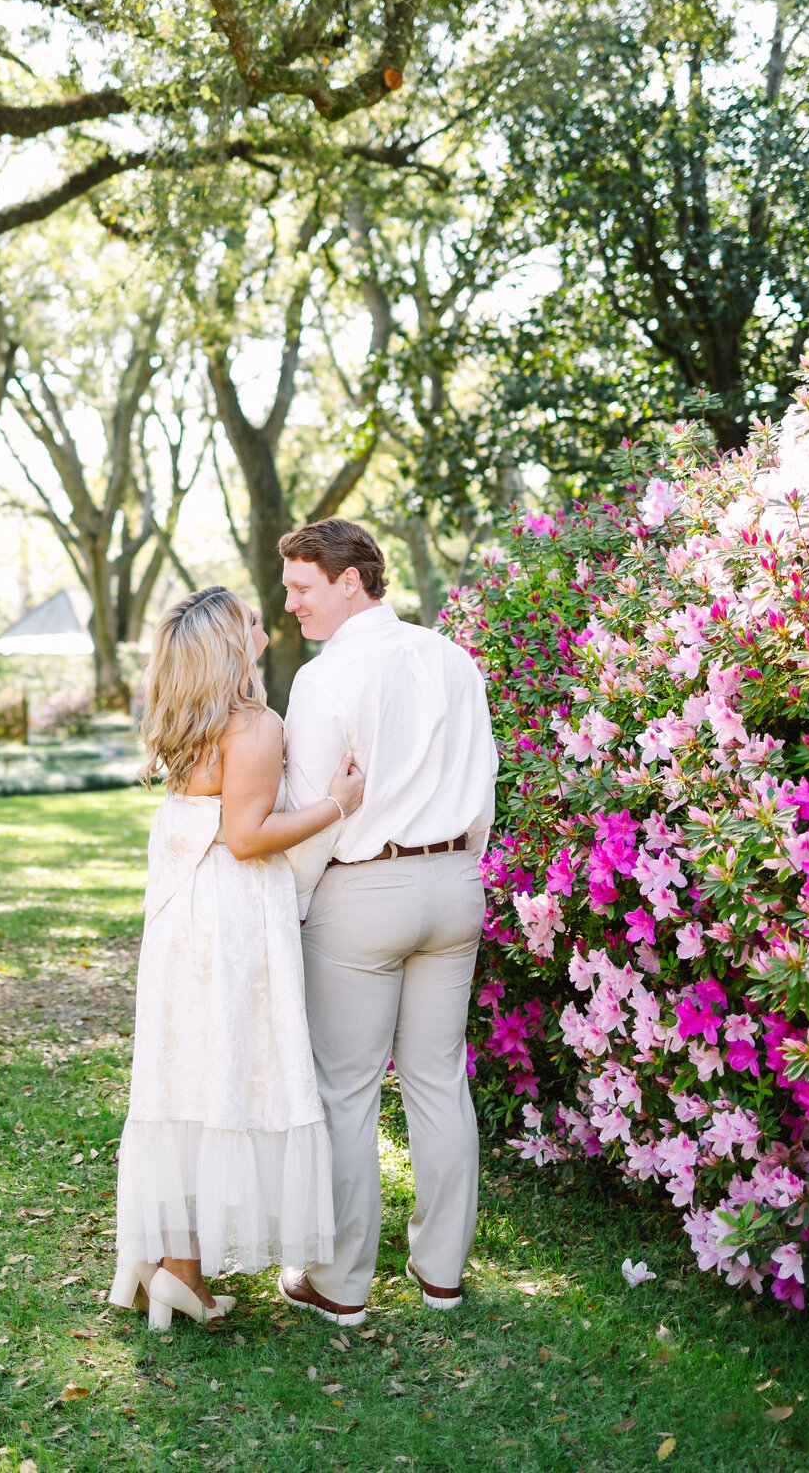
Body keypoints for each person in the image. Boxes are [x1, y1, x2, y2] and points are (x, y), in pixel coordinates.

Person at [111, 585, 364, 1330]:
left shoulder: (191, 721)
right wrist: (339, 802)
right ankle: (179, 1269)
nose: (266, 624)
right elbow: (250, 835)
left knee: (188, 1076)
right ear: (228, 642)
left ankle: (175, 1266)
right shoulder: (253, 725)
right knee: (222, 1075)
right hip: (226, 915)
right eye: (252, 620)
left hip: (182, 915)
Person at [276, 519, 497, 1327]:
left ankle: (341, 1284)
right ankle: (442, 1276)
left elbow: (311, 808)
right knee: (440, 1079)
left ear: (350, 580)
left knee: (346, 1092)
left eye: (302, 586)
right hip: (455, 882)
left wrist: (293, 905)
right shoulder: (452, 657)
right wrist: (462, 859)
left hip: (364, 889)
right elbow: (486, 775)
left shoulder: (323, 678)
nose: (291, 603)